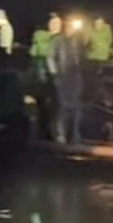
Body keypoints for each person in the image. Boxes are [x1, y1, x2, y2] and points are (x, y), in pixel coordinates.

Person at [47, 16, 84, 144]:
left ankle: (74, 134)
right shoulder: (58, 41)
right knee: (62, 106)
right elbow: (50, 57)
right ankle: (60, 135)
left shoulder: (77, 42)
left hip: (75, 77)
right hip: (62, 76)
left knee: (75, 107)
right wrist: (55, 73)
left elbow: (81, 58)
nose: (71, 29)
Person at [28, 14, 62, 140]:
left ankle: (44, 133)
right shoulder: (52, 40)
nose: (56, 26)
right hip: (47, 77)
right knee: (48, 106)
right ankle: (47, 133)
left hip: (45, 78)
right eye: (54, 23)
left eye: (58, 23)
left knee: (46, 106)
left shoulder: (44, 38)